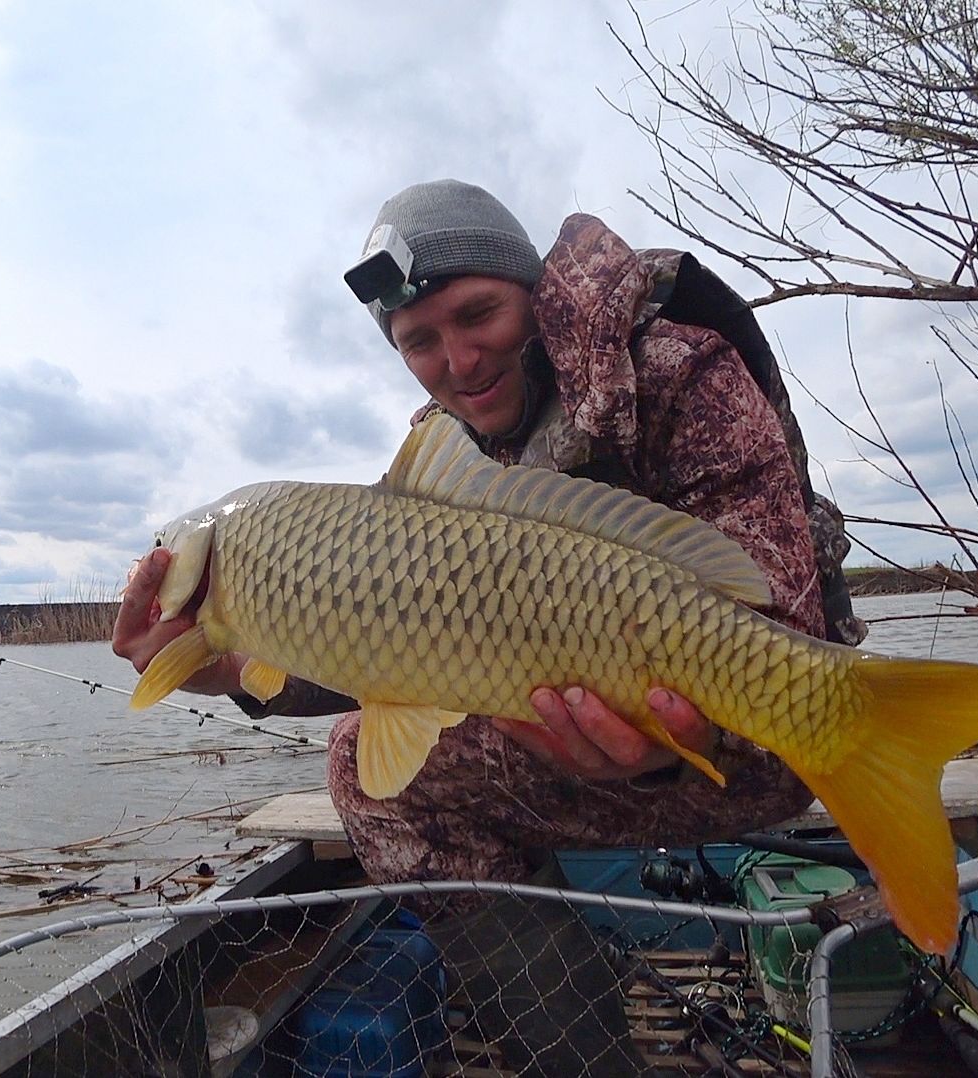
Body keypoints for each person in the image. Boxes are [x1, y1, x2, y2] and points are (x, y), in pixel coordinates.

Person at [114, 179, 862, 1076]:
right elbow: (388, 647)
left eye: (478, 315)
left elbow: (778, 612)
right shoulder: (444, 445)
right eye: (418, 341)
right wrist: (228, 671)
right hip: (574, 728)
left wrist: (667, 737)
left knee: (372, 776)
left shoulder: (677, 366)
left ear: (536, 292)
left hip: (766, 731)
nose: (459, 360)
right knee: (368, 761)